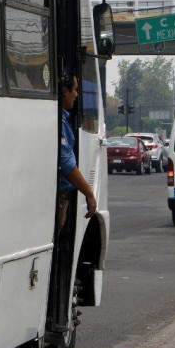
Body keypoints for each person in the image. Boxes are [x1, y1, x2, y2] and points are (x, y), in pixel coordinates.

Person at [57, 71, 97, 233]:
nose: (76, 95)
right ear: (65, 91)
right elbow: (66, 164)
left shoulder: (63, 119)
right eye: (75, 89)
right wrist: (89, 193)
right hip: (59, 196)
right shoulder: (58, 121)